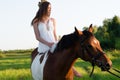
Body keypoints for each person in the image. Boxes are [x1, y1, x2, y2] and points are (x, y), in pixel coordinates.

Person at [31, 0, 82, 78]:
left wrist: (58, 43)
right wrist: (48, 44)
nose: (50, 10)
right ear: (43, 8)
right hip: (44, 45)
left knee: (65, 55)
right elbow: (37, 37)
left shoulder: (53, 20)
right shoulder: (36, 21)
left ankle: (73, 70)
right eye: (48, 8)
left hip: (54, 43)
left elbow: (55, 33)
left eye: (51, 8)